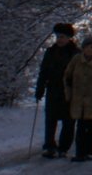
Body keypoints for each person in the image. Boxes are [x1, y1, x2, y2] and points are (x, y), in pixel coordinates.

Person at [34, 23, 79, 158]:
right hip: (53, 89)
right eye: (57, 36)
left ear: (69, 38)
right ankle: (49, 146)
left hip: (70, 91)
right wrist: (40, 89)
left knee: (68, 120)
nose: (59, 40)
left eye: (62, 37)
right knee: (50, 119)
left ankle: (63, 147)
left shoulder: (75, 54)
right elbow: (44, 72)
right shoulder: (50, 52)